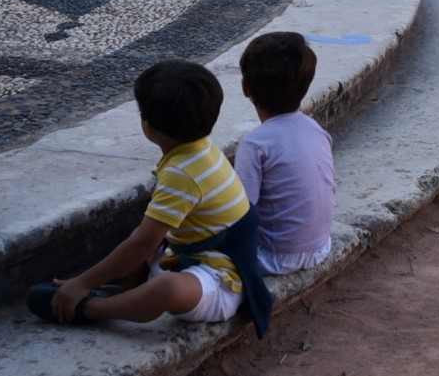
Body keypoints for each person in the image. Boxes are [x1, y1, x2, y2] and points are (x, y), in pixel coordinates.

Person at [29, 59, 269, 333]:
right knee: (144, 241)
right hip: (189, 257)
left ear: (148, 126)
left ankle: (93, 308)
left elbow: (142, 245)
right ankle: (117, 287)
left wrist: (82, 282)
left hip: (222, 280)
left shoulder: (183, 173)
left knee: (165, 286)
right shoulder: (200, 149)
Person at [232, 33, 336, 276]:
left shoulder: (254, 144)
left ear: (246, 88)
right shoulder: (315, 129)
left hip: (273, 257)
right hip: (320, 247)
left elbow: (241, 214)